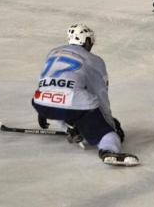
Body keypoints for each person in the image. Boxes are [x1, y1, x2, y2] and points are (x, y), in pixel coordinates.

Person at [32, 24, 139, 166]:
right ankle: (108, 151)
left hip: (40, 101)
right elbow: (100, 95)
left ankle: (69, 127)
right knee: (108, 132)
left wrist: (43, 111)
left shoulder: (53, 52)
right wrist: (109, 126)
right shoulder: (95, 61)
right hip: (72, 104)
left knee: (66, 103)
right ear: (86, 41)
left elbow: (47, 81)